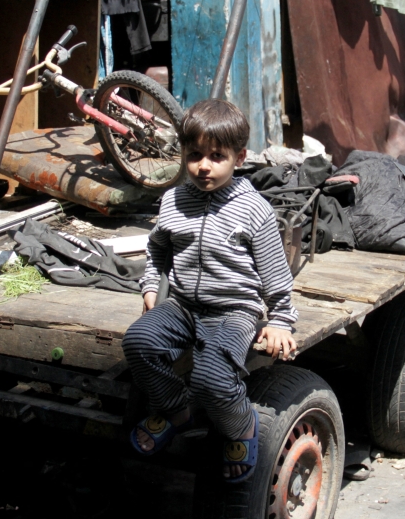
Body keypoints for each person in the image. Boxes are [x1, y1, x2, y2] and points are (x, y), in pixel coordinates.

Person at [122, 98, 298, 483]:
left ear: (239, 157)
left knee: (213, 379)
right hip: (184, 304)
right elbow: (157, 249)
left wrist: (281, 320)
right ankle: (176, 409)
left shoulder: (253, 210)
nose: (204, 166)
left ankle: (241, 426)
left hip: (235, 311)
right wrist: (151, 286)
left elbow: (275, 273)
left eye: (217, 156)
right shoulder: (173, 200)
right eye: (195, 154)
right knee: (138, 341)